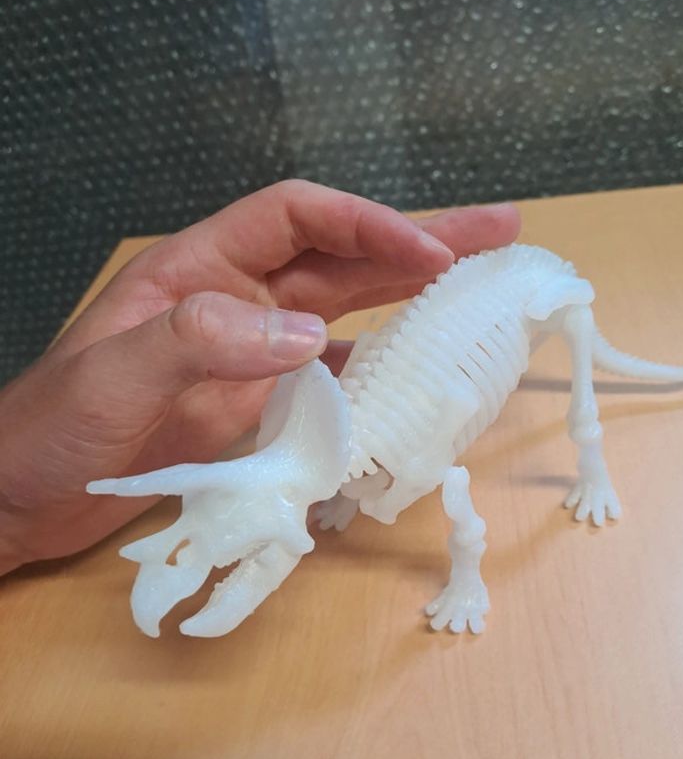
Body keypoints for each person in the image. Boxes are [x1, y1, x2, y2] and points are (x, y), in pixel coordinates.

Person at [0, 180, 519, 575]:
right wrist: (13, 517)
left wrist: (466, 584)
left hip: (488, 333)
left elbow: (456, 483)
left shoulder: (416, 465)